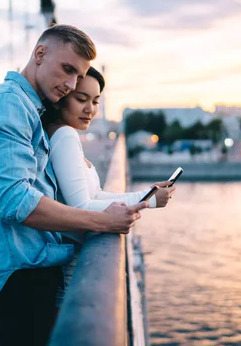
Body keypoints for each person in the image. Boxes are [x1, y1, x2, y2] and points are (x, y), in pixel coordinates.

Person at [0, 24, 149, 346]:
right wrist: (102, 222)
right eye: (68, 69)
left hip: (28, 272)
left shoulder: (27, 109)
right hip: (18, 277)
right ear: (40, 53)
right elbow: (16, 202)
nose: (71, 83)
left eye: (79, 76)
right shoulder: (8, 106)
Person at [41, 67, 176, 299]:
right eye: (81, 99)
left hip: (75, 259)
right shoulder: (64, 136)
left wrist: (147, 194)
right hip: (74, 266)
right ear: (62, 97)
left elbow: (95, 196)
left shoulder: (63, 134)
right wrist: (148, 201)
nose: (90, 109)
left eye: (95, 102)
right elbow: (81, 207)